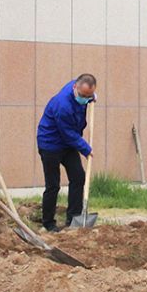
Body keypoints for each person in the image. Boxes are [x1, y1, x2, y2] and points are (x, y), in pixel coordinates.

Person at [36, 74, 96, 232]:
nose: (85, 99)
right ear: (75, 88)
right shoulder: (63, 105)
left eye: (88, 96)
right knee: (53, 185)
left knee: (78, 177)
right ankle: (48, 223)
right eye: (83, 96)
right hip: (50, 144)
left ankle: (74, 218)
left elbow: (86, 96)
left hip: (67, 144)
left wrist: (91, 98)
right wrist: (86, 148)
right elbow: (68, 133)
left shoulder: (81, 91)